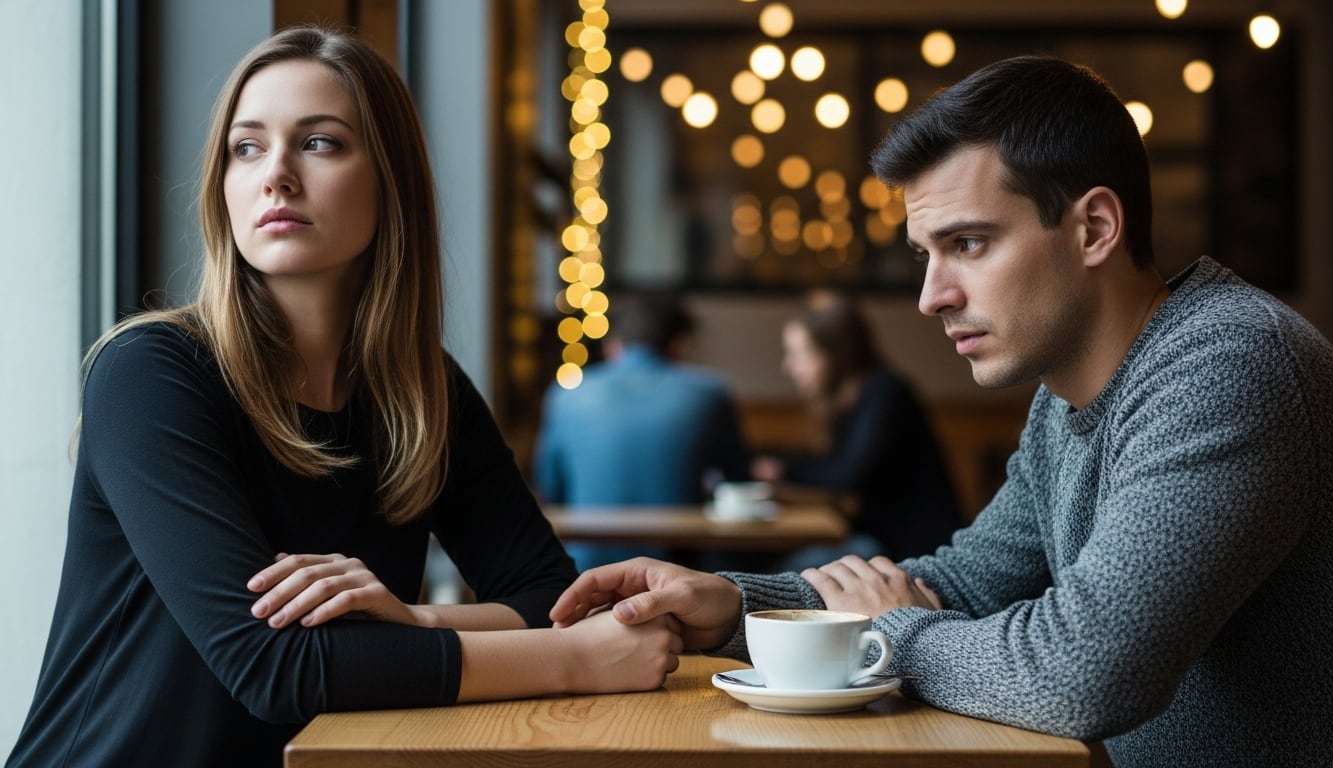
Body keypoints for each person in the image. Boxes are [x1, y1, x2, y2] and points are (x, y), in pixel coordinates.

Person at [549, 56, 1333, 767]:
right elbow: (962, 584)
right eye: (926, 254)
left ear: (1095, 227)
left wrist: (894, 632)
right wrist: (737, 606)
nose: (931, 296)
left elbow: (1081, 671)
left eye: (967, 244)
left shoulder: (1229, 366)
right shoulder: (1067, 395)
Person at [6, 26, 681, 768]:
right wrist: (576, 662)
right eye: (247, 147)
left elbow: (549, 597)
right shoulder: (152, 373)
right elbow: (273, 668)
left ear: (389, 180)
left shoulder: (423, 392)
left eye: (319, 143)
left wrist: (415, 622)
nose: (277, 176)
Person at [533, 291, 752, 569]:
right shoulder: (710, 393)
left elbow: (551, 489)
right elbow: (738, 483)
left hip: (584, 572)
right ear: (680, 345)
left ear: (613, 346)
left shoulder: (566, 395)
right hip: (680, 573)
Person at [752, 290, 964, 568]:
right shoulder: (857, 398)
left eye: (800, 354)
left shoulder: (885, 392)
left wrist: (782, 470)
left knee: (797, 569)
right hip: (884, 542)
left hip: (915, 553)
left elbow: (848, 472)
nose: (789, 367)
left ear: (834, 354)